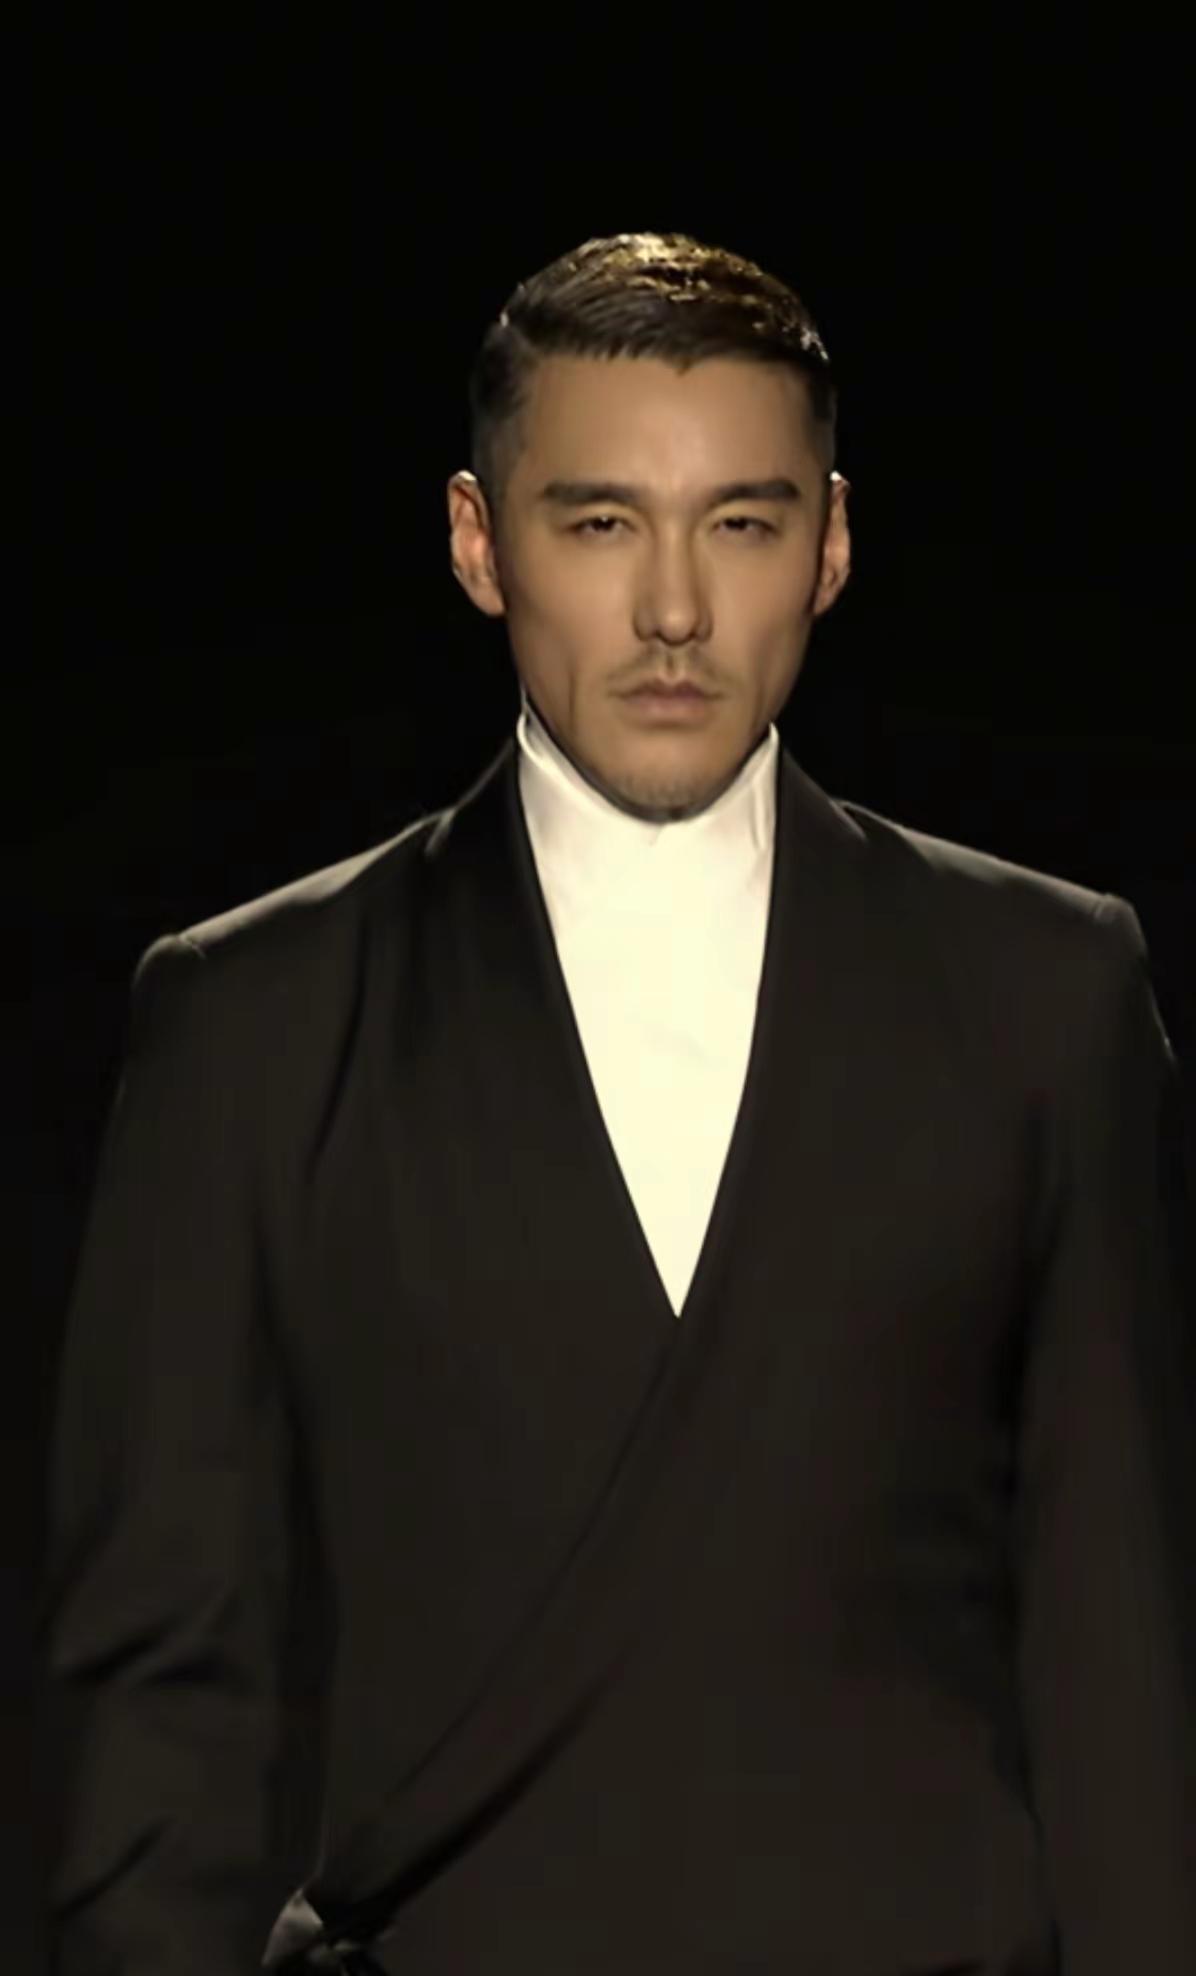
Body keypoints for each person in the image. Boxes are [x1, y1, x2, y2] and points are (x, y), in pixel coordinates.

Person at [40, 231, 1195, 1974]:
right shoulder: (255, 1023)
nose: (674, 610)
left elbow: (1123, 1675)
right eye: (599, 524)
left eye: (741, 524)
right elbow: (159, 1710)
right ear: (477, 542)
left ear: (832, 543)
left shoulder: (1046, 995)